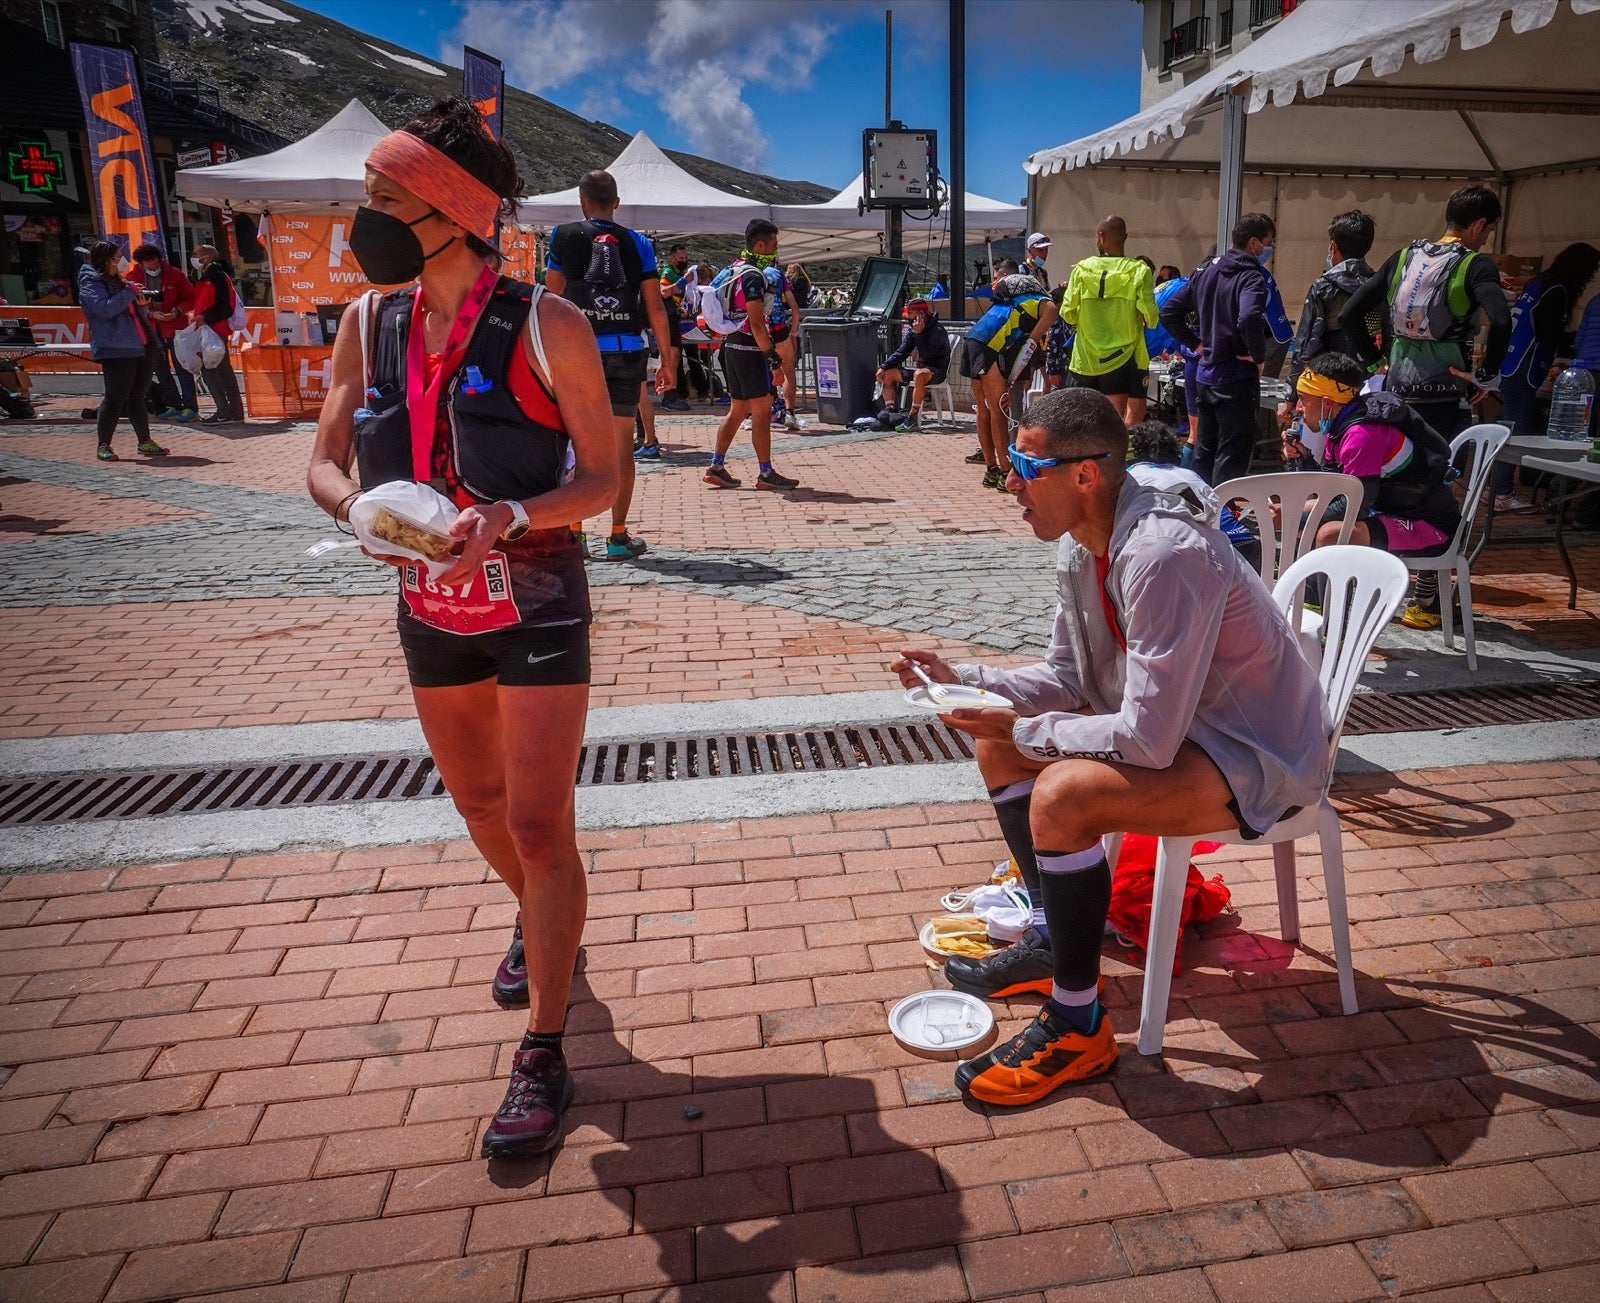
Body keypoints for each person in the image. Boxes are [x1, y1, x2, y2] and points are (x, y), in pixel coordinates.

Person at [306, 97, 618, 1160]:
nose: (368, 219)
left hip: (534, 602)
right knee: (480, 804)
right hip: (428, 606)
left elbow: (605, 478)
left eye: (385, 199)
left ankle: (544, 1047)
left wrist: (512, 517)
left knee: (538, 824)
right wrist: (356, 509)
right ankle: (539, 924)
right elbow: (320, 461)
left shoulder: (548, 323)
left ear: (448, 212)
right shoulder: (367, 321)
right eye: (368, 198)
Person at [890, 388, 1328, 1106]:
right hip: (1188, 733)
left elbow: (1147, 740)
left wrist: (1023, 729)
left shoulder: (1162, 553)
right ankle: (1049, 936)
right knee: (999, 747)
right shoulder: (1081, 546)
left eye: (1025, 465)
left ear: (1085, 474)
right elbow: (1069, 677)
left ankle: (1077, 1023)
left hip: (1261, 754)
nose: (1008, 480)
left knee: (1063, 792)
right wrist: (967, 683)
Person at [546, 169, 675, 559]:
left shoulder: (563, 235)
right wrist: (667, 360)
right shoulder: (638, 243)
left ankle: (575, 533)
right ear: (616, 203)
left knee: (572, 439)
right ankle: (618, 536)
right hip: (626, 350)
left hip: (577, 353)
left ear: (583, 201)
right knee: (621, 443)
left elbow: (551, 295)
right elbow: (654, 306)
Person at [1288, 352, 1461, 626]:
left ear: (1327, 403)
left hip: (1432, 526)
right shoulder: (1343, 424)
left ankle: (1336, 631)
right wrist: (1301, 463)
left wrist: (1294, 520)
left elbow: (1354, 506)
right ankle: (1313, 606)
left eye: (1303, 399)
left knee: (1328, 534)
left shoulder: (1360, 436)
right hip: (1396, 510)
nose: (1297, 407)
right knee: (1304, 514)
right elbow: (1333, 489)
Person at [1340, 184, 1511, 446]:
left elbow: (1349, 314)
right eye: (1488, 230)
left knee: (1397, 469)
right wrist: (1487, 374)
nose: (1486, 238)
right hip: (1447, 396)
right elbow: (1501, 320)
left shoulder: (1403, 258)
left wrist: (1375, 362)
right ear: (1478, 225)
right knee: (1444, 475)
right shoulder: (1475, 265)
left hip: (1396, 394)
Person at [1158, 213, 1276, 487]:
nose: (1268, 251)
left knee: (1205, 450)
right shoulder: (1250, 277)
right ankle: (1226, 517)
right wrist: (1257, 356)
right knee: (1232, 455)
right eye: (1269, 243)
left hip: (1205, 376)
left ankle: (1200, 510)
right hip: (1236, 378)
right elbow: (1248, 318)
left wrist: (1197, 345)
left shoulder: (1207, 272)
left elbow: (1169, 311)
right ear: (1254, 243)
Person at [1495, 241, 1600, 507]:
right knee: (1517, 428)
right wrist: (1566, 340)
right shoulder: (1557, 290)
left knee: (1506, 422)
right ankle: (1501, 491)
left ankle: (1497, 485)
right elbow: (1547, 332)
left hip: (1513, 360)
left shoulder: (1539, 283)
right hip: (1528, 365)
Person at [701, 219, 799, 492]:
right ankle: (766, 473)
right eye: (773, 246)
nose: (775, 252)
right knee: (761, 412)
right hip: (749, 348)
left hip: (730, 346)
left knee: (738, 409)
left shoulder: (731, 270)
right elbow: (756, 322)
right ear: (760, 245)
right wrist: (772, 359)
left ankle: (717, 466)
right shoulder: (753, 275)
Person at [960, 267, 1057, 490]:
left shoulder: (1015, 302)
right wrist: (1010, 380)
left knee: (984, 411)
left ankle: (991, 470)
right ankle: (1006, 472)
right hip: (990, 345)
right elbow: (1029, 346)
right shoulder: (1048, 306)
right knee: (999, 411)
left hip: (973, 339)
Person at [77, 240, 169, 462]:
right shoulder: (91, 281)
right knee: (115, 397)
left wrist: (143, 305)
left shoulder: (119, 282)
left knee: (138, 395)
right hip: (115, 347)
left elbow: (132, 312)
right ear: (105, 260)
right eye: (117, 259)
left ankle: (144, 441)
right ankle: (103, 444)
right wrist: (129, 291)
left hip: (140, 343)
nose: (121, 263)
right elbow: (104, 309)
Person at [1062, 215, 1160, 424]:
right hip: (1121, 358)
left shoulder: (1081, 269)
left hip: (1084, 359)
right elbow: (1152, 318)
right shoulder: (1138, 271)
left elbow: (1067, 313)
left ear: (1100, 236)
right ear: (1125, 237)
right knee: (1112, 425)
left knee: (1082, 424)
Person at [1282, 211, 1379, 412]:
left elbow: (1307, 344)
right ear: (1368, 247)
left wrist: (1291, 396)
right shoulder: (1379, 285)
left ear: (1333, 247)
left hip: (1328, 389)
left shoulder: (1323, 287)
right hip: (1372, 385)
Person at [131, 242, 197, 421]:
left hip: (175, 328)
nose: (153, 266)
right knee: (160, 369)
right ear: (141, 263)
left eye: (155, 262)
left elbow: (190, 297)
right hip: (151, 329)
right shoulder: (133, 277)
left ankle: (190, 407)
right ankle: (173, 404)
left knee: (182, 367)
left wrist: (177, 310)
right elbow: (130, 304)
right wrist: (151, 314)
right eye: (148, 263)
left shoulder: (175, 274)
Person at [187, 244, 246, 424]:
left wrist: (204, 317)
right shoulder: (214, 276)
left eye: (196, 254)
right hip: (212, 328)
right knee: (223, 370)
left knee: (212, 370)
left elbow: (224, 306)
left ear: (205, 258)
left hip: (213, 329)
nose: (193, 257)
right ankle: (233, 411)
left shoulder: (215, 277)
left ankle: (224, 411)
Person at [876, 296, 950, 431]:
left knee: (919, 375)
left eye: (910, 314)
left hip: (936, 371)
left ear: (920, 315)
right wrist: (883, 366)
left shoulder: (937, 331)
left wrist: (919, 334)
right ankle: (890, 412)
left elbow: (928, 356)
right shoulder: (914, 330)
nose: (908, 318)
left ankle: (913, 417)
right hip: (920, 369)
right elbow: (902, 352)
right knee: (887, 374)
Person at [655, 243, 692, 411]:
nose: (683, 261)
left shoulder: (679, 272)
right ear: (672, 258)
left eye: (685, 258)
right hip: (667, 316)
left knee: (675, 355)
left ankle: (673, 391)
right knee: (672, 354)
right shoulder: (668, 272)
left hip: (674, 315)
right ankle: (669, 394)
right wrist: (683, 282)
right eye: (680, 258)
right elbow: (664, 291)